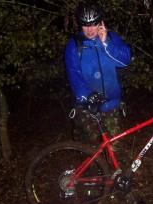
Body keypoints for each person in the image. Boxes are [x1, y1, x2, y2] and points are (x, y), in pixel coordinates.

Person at [65, 2, 131, 144]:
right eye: (85, 25)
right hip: (87, 108)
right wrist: (88, 97)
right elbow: (74, 75)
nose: (89, 30)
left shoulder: (112, 38)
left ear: (100, 22)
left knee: (115, 148)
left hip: (111, 104)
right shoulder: (74, 45)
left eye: (93, 24)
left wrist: (106, 42)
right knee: (91, 151)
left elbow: (125, 61)